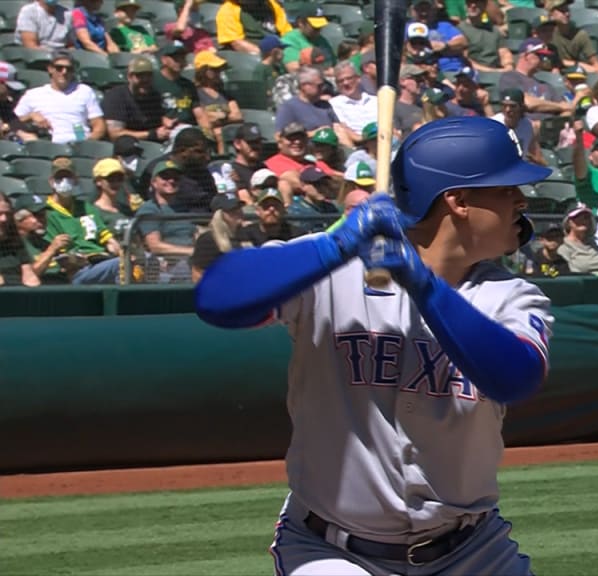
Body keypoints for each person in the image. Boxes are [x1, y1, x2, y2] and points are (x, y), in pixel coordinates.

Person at [193, 116, 553, 576]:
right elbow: (216, 300)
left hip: (472, 551)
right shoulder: (331, 269)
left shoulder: (512, 296)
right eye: (506, 189)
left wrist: (423, 285)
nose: (521, 200)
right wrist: (335, 245)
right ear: (458, 201)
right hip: (332, 551)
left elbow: (514, 378)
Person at [0, 192, 40, 288]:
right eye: (0, 214)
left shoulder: (14, 241)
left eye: (7, 214)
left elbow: (31, 280)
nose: (4, 219)